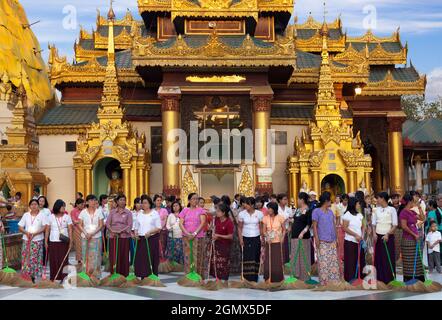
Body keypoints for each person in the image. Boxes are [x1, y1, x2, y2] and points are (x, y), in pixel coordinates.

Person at [312, 192, 341, 285]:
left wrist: (336, 238)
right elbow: (315, 226)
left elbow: (333, 225)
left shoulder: (330, 212)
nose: (331, 203)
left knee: (333, 261)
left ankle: (334, 281)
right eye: (330, 201)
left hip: (332, 240)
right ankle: (324, 282)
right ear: (325, 201)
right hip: (322, 240)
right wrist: (316, 238)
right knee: (323, 262)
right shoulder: (316, 211)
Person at [179, 193, 207, 278]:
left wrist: (194, 233)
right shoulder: (185, 210)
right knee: (188, 256)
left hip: (198, 237)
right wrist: (187, 233)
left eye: (197, 199)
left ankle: (198, 275)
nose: (195, 200)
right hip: (186, 237)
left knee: (197, 256)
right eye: (193, 199)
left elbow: (202, 223)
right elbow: (180, 223)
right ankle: (188, 275)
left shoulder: (201, 210)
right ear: (189, 200)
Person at [18, 199, 46, 282]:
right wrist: (26, 233)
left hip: (37, 240)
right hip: (27, 240)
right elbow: (20, 227)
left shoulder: (42, 215)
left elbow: (44, 227)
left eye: (35, 204)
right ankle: (26, 275)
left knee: (35, 258)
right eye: (32, 204)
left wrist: (36, 233)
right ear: (29, 206)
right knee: (26, 257)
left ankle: (33, 276)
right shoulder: (26, 215)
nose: (34, 206)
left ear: (38, 206)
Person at [372, 192, 398, 284]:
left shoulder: (392, 210)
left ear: (383, 198)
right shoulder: (376, 210)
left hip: (388, 236)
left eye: (378, 198)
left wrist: (387, 234)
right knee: (379, 258)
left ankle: (389, 279)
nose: (377, 200)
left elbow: (395, 225)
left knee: (388, 257)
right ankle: (379, 279)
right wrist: (374, 234)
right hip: (378, 236)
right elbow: (374, 223)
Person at [44, 199, 73, 281]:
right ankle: (54, 277)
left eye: (64, 206)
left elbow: (70, 229)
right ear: (57, 207)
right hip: (53, 240)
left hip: (64, 241)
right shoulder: (50, 217)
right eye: (62, 206)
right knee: (54, 259)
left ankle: (63, 277)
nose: (64, 208)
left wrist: (71, 241)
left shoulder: (67, 217)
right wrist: (46, 241)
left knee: (63, 259)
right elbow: (47, 230)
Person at [399, 193, 425, 282]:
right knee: (409, 261)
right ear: (409, 201)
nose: (414, 203)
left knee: (417, 260)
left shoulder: (412, 211)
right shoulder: (403, 212)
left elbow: (422, 218)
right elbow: (404, 226)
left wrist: (419, 207)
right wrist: (414, 235)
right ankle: (409, 279)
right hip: (408, 240)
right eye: (413, 201)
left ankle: (419, 279)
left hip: (415, 239)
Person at [134, 195, 161, 278]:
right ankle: (143, 275)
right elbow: (136, 226)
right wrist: (136, 234)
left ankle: (152, 275)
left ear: (149, 204)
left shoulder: (154, 213)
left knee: (151, 257)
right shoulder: (139, 214)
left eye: (145, 203)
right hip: (141, 239)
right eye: (142, 203)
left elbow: (159, 227)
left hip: (151, 239)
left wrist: (150, 232)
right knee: (142, 258)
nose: (143, 205)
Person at [106, 194, 133, 277]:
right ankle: (114, 273)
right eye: (120, 200)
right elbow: (107, 223)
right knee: (113, 255)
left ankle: (124, 274)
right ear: (117, 202)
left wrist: (121, 231)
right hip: (113, 236)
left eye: (124, 200)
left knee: (123, 255)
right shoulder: (112, 212)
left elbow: (129, 225)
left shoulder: (128, 212)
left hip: (124, 237)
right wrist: (112, 231)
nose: (122, 201)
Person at [238, 197, 263, 282]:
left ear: (252, 205)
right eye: (245, 203)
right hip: (246, 237)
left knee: (255, 256)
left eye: (247, 204)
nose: (245, 205)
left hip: (256, 237)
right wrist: (241, 239)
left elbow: (261, 227)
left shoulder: (259, 213)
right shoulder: (242, 214)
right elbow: (240, 228)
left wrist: (262, 238)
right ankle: (247, 278)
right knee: (247, 257)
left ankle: (255, 277)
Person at [78, 194, 104, 277]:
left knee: (96, 255)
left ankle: (96, 275)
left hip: (96, 237)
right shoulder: (83, 212)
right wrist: (86, 233)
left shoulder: (99, 211)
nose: (93, 202)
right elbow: (80, 225)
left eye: (94, 200)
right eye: (91, 200)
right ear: (87, 202)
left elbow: (101, 225)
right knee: (85, 255)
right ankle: (86, 274)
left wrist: (92, 233)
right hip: (85, 236)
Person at [261, 202, 285, 283]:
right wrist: (266, 237)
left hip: (277, 241)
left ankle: (278, 278)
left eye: (270, 208)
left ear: (274, 209)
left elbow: (284, 229)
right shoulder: (265, 218)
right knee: (268, 260)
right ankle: (268, 278)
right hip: (269, 242)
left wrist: (283, 237)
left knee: (277, 260)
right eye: (268, 208)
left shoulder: (280, 217)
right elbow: (263, 231)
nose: (268, 210)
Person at [342, 197, 365, 282]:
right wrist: (355, 235)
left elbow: (363, 226)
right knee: (351, 260)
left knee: (359, 259)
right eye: (358, 203)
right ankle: (351, 278)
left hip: (359, 240)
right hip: (350, 240)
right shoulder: (347, 214)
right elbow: (344, 228)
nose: (359, 205)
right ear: (353, 204)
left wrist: (362, 235)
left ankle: (360, 277)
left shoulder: (359, 215)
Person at [210, 203, 234, 283]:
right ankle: (217, 278)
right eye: (216, 210)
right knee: (215, 262)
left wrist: (218, 236)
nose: (216, 212)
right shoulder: (216, 220)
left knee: (223, 262)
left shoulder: (229, 222)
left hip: (225, 246)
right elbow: (212, 229)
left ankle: (224, 280)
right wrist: (211, 229)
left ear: (224, 213)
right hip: (216, 244)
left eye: (218, 211)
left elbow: (230, 236)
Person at [290, 192, 312, 280]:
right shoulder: (297, 210)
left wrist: (303, 232)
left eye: (298, 199)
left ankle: (304, 276)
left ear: (302, 200)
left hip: (303, 237)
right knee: (295, 255)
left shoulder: (308, 210)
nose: (297, 201)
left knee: (303, 256)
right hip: (294, 236)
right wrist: (290, 221)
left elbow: (308, 224)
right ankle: (296, 276)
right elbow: (295, 220)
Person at [166, 201, 184, 265]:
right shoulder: (170, 215)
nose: (175, 207)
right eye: (174, 206)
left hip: (180, 236)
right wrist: (169, 229)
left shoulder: (183, 214)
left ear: (179, 206)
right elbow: (167, 225)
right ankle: (171, 265)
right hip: (172, 237)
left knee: (180, 251)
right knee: (172, 251)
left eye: (177, 205)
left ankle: (180, 266)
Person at [277, 193, 292, 265]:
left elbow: (291, 219)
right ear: (279, 200)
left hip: (286, 230)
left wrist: (289, 227)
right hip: (278, 230)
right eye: (284, 199)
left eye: (286, 199)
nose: (286, 201)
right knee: (279, 246)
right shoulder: (276, 209)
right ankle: (279, 261)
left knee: (286, 246)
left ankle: (286, 261)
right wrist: (285, 220)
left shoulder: (288, 209)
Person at [154, 194, 169, 260]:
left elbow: (165, 220)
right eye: (157, 200)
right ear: (154, 202)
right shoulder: (152, 211)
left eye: (160, 200)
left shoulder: (164, 210)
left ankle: (162, 262)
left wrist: (160, 228)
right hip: (154, 232)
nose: (159, 202)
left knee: (162, 246)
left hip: (162, 231)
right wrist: (155, 229)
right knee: (155, 247)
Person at [70, 198, 85, 265]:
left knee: (84, 245)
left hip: (84, 230)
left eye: (83, 204)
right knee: (78, 246)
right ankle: (79, 260)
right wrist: (81, 221)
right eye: (81, 204)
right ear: (77, 204)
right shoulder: (73, 211)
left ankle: (85, 258)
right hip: (76, 230)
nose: (82, 205)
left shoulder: (85, 211)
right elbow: (74, 221)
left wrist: (79, 222)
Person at [130, 197, 142, 265]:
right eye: (138, 203)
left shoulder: (143, 213)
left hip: (140, 233)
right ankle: (132, 264)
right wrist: (131, 233)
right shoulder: (131, 213)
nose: (139, 204)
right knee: (132, 250)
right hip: (132, 233)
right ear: (135, 204)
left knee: (140, 250)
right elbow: (129, 223)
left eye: (140, 203)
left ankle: (140, 264)